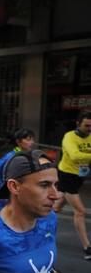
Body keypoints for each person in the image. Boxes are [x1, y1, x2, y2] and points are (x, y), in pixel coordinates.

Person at [53, 111, 91, 260]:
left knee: (56, 207)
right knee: (80, 211)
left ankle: (34, 226)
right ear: (78, 124)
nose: (89, 128)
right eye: (86, 125)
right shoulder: (69, 137)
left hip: (80, 176)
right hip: (66, 174)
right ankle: (87, 247)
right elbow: (75, 156)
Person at [0, 128, 35, 212]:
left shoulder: (26, 156)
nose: (32, 142)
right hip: (3, 200)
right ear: (18, 142)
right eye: (28, 139)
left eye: (32, 139)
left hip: (16, 197)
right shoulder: (10, 156)